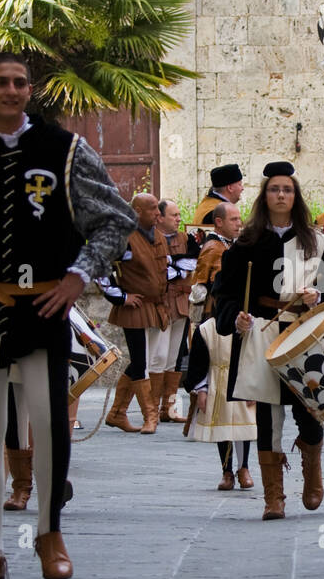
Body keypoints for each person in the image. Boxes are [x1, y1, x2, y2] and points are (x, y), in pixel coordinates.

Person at [0, 52, 135, 579]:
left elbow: (115, 220)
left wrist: (77, 276)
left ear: (30, 89)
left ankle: (49, 532)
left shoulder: (66, 149)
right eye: (2, 82)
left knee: (47, 421)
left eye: (20, 82)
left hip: (43, 305)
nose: (12, 90)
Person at [212, 161, 324, 519]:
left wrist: (320, 296)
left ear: (295, 195)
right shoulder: (246, 243)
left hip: (305, 336)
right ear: (264, 195)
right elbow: (223, 294)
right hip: (260, 333)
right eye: (274, 189)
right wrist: (234, 317)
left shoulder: (320, 242)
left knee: (309, 411)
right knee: (268, 417)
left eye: (287, 189)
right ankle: (274, 497)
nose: (281, 195)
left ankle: (312, 464)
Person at [183, 200, 254, 489]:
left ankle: (244, 468)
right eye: (234, 218)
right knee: (222, 416)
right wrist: (199, 386)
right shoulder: (214, 248)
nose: (239, 223)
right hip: (218, 318)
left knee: (245, 419)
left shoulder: (241, 248)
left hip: (240, 318)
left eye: (241, 218)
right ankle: (227, 470)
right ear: (219, 222)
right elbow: (199, 290)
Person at [99, 194, 170, 435]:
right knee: (140, 361)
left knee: (144, 360)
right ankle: (150, 416)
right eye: (153, 210)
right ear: (137, 211)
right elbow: (100, 267)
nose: (158, 214)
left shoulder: (159, 236)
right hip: (135, 307)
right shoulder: (123, 237)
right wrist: (121, 297)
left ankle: (117, 413)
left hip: (156, 306)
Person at [149, 198, 199, 422]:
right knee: (158, 356)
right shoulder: (149, 238)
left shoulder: (186, 239)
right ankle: (150, 409)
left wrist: (175, 265)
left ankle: (167, 408)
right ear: (159, 217)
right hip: (159, 302)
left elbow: (194, 261)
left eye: (179, 215)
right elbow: (155, 268)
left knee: (173, 358)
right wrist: (177, 265)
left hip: (180, 301)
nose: (179, 219)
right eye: (174, 215)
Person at [193, 163, 244, 227]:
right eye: (240, 184)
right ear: (230, 188)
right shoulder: (215, 213)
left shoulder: (207, 204)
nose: (242, 188)